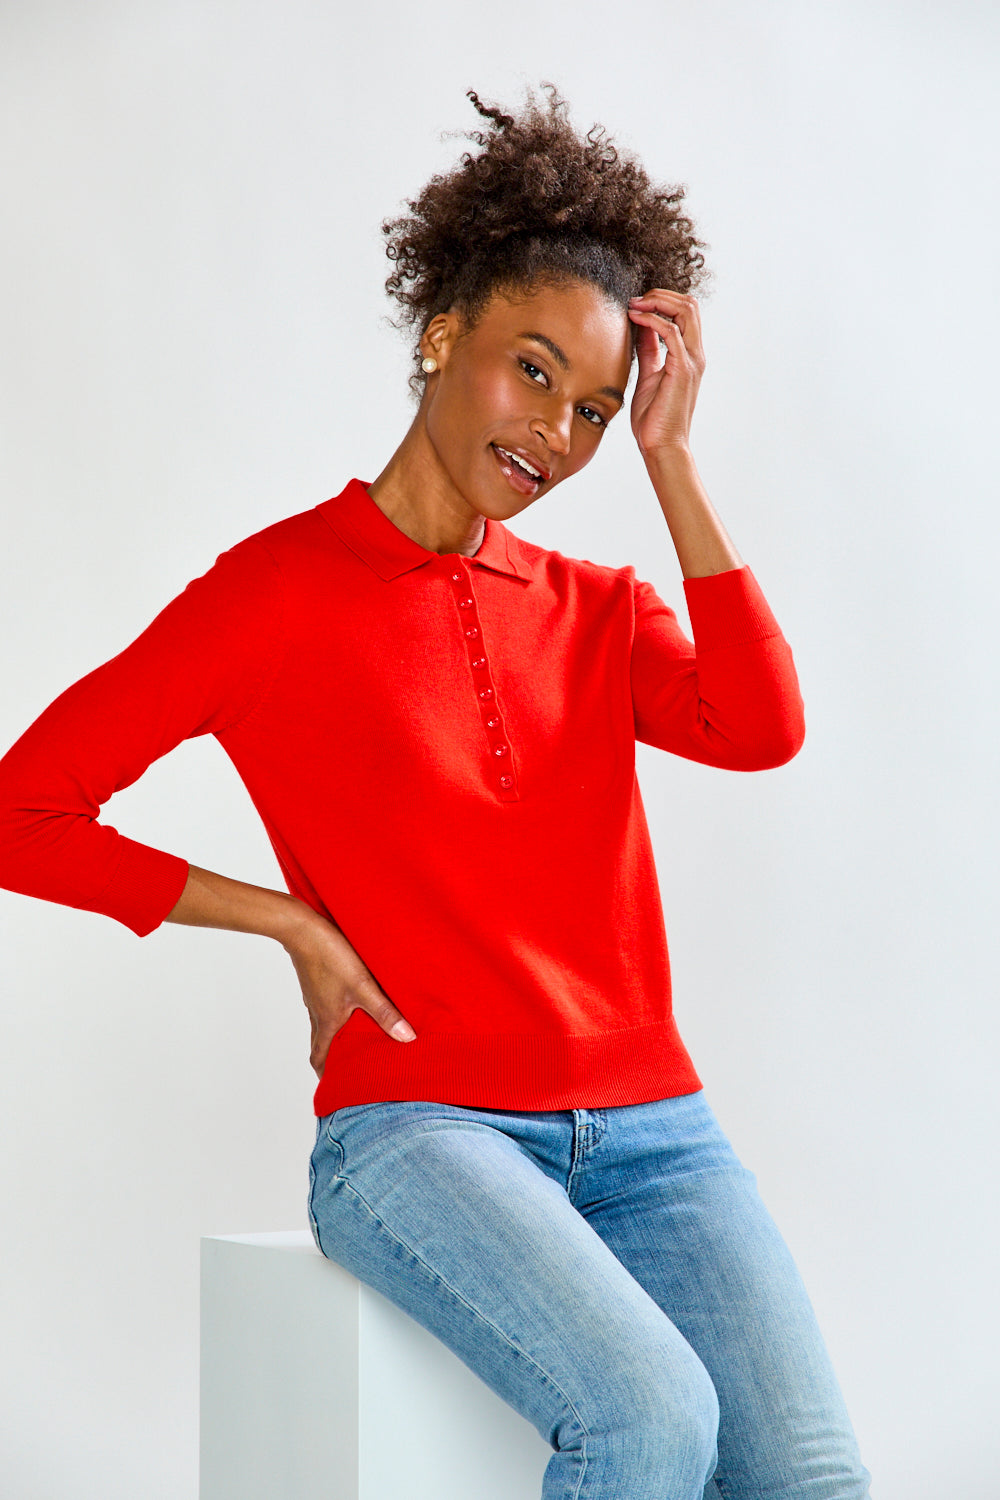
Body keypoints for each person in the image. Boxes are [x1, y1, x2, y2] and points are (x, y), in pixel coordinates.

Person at [0, 82, 873, 1500]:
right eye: (533, 369)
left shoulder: (599, 607)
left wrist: (671, 459)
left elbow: (761, 729)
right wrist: (289, 921)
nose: (558, 434)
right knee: (651, 1422)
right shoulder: (270, 597)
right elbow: (21, 811)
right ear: (442, 330)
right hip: (418, 1131)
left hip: (657, 1129)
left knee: (814, 1480)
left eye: (595, 409)